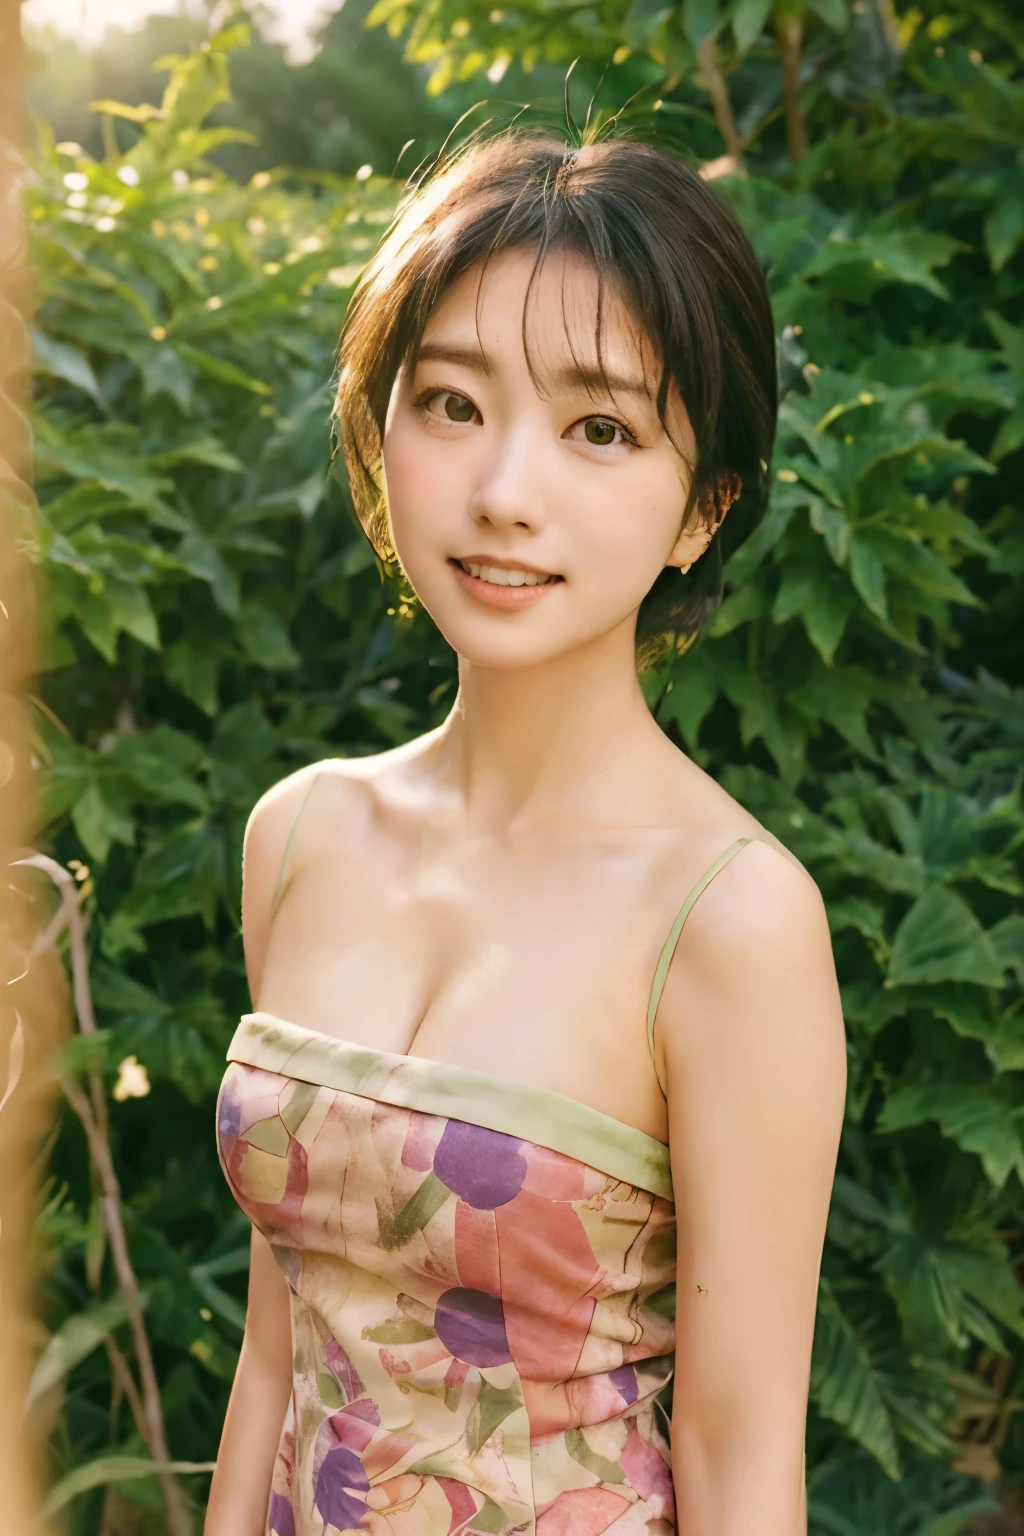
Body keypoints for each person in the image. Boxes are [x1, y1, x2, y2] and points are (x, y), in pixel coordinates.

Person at [205, 130, 847, 1536]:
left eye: (600, 428)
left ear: (705, 509)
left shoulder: (732, 919)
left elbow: (743, 1465)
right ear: (383, 438)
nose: (506, 489)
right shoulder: (302, 835)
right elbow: (277, 1350)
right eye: (450, 403)